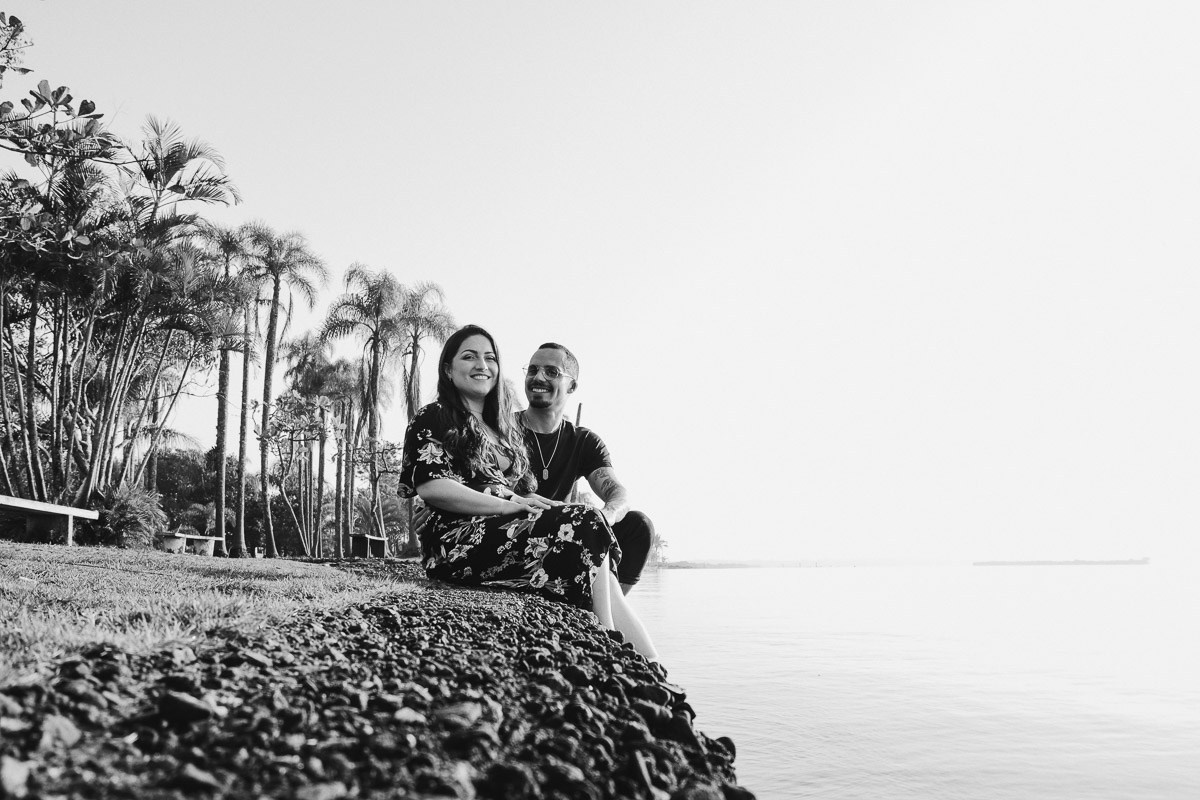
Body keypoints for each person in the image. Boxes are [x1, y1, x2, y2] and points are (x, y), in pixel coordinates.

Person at [398, 324, 657, 660]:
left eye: (490, 358)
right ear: (448, 369)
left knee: (603, 526)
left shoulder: (502, 432)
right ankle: (606, 638)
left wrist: (527, 503)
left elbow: (518, 492)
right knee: (585, 524)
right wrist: (499, 506)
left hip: (503, 530)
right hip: (458, 540)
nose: (482, 365)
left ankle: (650, 663)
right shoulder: (436, 415)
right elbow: (434, 485)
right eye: (469, 356)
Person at [518, 342, 656, 594]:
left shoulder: (583, 441)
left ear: (572, 386)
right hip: (515, 534)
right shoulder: (503, 429)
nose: (538, 377)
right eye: (533, 370)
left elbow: (618, 493)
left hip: (568, 537)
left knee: (639, 526)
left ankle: (604, 612)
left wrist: (606, 515)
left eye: (551, 372)